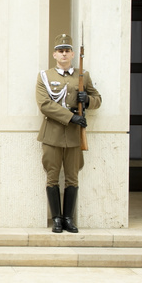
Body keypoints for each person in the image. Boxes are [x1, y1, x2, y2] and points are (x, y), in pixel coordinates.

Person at [36, 34, 101, 234]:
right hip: (52, 135)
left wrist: (87, 100)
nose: (64, 54)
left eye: (67, 51)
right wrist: (71, 117)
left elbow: (97, 99)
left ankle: (68, 219)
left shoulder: (83, 76)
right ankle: (56, 218)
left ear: (72, 54)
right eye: (60, 51)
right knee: (52, 177)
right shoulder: (45, 76)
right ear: (54, 54)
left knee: (72, 177)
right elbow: (44, 104)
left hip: (74, 136)